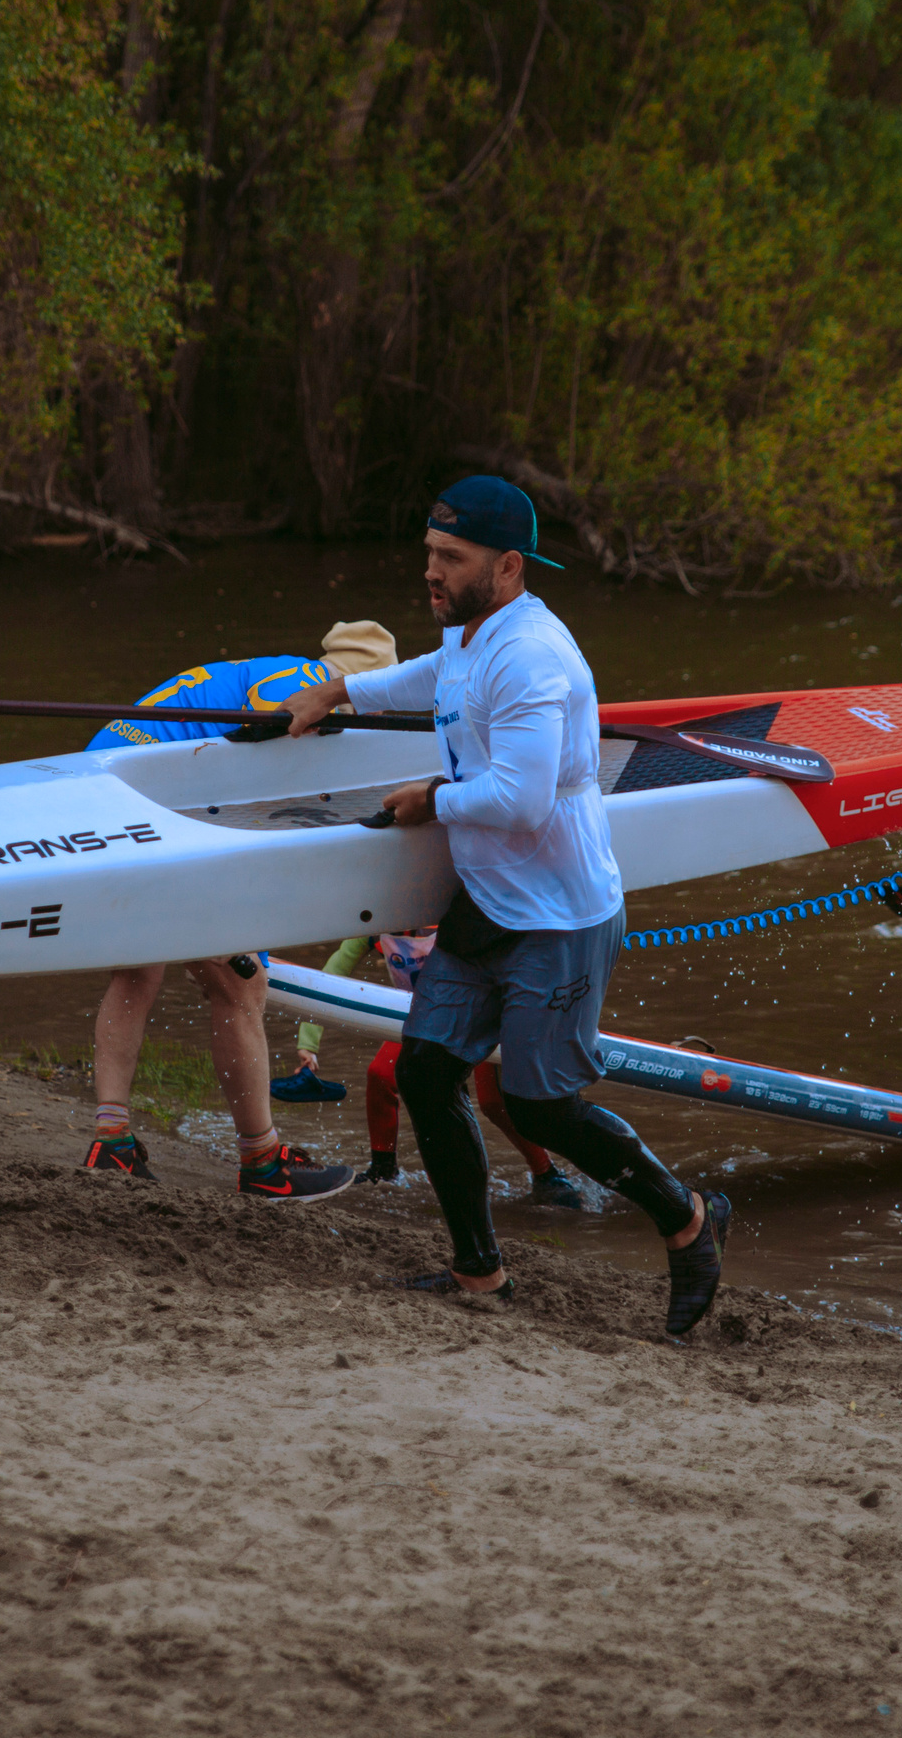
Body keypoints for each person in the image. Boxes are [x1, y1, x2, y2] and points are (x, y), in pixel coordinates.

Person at [282, 476, 730, 1337]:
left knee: (537, 1104)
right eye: (428, 554)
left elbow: (520, 799)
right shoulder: (473, 633)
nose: (432, 572)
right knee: (425, 1070)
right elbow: (436, 677)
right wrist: (338, 694)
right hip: (488, 903)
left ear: (510, 567)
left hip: (559, 918)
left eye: (451, 558)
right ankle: (479, 1273)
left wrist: (429, 800)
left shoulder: (534, 656)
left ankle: (689, 1222)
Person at [78, 621, 398, 1200]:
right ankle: (262, 1161)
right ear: (358, 684)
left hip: (105, 791)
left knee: (139, 967)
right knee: (241, 983)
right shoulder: (306, 686)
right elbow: (259, 755)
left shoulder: (287, 671)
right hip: (147, 802)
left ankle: (112, 1141)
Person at [291, 928, 587, 1208]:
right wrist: (308, 1045)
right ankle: (383, 1171)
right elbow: (332, 973)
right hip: (424, 1016)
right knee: (380, 1075)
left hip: (479, 1011)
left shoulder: (454, 913)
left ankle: (547, 1174)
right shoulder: (377, 923)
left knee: (494, 1102)